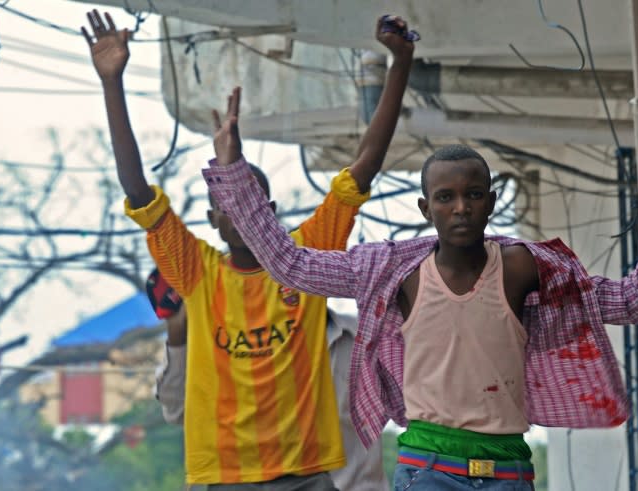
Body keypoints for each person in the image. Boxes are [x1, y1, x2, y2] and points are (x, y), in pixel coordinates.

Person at [203, 93, 638, 490]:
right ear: (425, 209)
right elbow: (289, 263)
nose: (460, 208)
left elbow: (627, 302)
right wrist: (233, 173)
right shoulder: (393, 272)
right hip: (429, 469)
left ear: (491, 203)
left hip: (508, 472)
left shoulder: (525, 267)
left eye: (473, 195)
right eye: (445, 197)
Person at [83, 9, 415, 489]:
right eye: (224, 204)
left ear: (270, 209)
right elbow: (138, 192)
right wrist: (111, 82)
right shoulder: (196, 269)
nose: (237, 211)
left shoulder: (306, 257)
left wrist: (400, 64)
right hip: (222, 475)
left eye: (248, 198)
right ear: (212, 221)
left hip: (307, 473)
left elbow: (363, 168)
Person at [148, 268, 389, 490]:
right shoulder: (229, 355)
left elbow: (419, 407)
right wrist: (178, 335)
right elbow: (178, 410)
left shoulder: (364, 339)